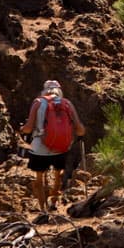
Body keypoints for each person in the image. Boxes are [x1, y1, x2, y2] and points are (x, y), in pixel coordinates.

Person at [19, 81, 86, 211]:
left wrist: (21, 129)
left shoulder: (38, 102)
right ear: (59, 91)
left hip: (40, 148)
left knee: (39, 180)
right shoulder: (67, 104)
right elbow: (80, 130)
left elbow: (28, 129)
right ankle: (54, 203)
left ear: (44, 90)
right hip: (61, 148)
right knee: (58, 175)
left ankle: (43, 210)